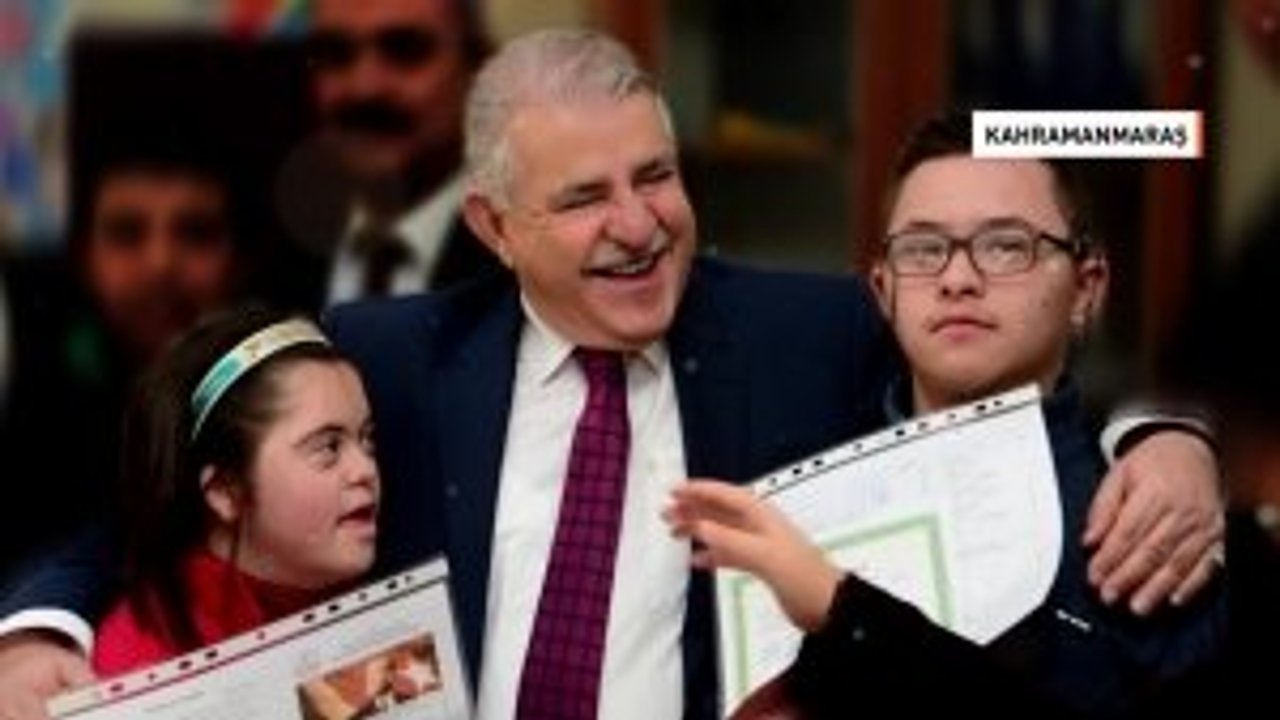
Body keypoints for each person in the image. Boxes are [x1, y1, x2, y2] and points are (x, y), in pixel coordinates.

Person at [0, 30, 1223, 720]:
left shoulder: (806, 330)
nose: (638, 227)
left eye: (656, 176)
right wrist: (33, 630)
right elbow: (169, 482)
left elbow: (997, 354)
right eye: (584, 197)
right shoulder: (389, 360)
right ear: (492, 227)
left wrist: (1165, 433)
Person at [664, 114, 1225, 717]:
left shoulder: (1147, 529)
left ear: (1086, 287)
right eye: (923, 249)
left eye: (1006, 246)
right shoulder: (796, 491)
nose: (957, 279)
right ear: (883, 289)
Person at [90, 307, 379, 675]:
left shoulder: (392, 615)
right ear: (225, 491)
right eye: (328, 448)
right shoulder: (137, 664)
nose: (366, 470)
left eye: (367, 440)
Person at [0, 148, 245, 578]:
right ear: (83, 258)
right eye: (127, 234)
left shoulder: (274, 412)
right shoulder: (34, 419)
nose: (161, 264)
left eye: (195, 233)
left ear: (241, 260)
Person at [281, 0, 501, 309]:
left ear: (479, 68)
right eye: (336, 54)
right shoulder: (266, 254)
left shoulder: (525, 261)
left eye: (405, 50)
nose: (365, 88)